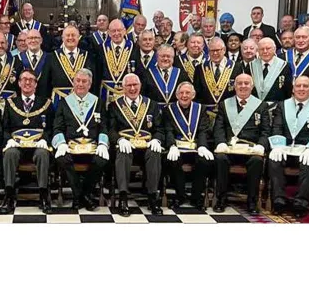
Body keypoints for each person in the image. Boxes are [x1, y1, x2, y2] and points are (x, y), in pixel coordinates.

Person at [267, 76, 309, 218]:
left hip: (306, 149)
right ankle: (279, 200)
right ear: (293, 89)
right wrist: (277, 146)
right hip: (285, 148)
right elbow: (277, 127)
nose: (301, 89)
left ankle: (301, 203)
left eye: (305, 86)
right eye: (298, 86)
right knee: (274, 160)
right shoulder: (282, 105)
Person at [211, 74, 270, 214]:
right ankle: (221, 199)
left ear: (252, 86)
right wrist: (220, 143)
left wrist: (261, 145)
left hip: (250, 150)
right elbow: (218, 127)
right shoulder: (225, 104)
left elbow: (266, 130)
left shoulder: (261, 106)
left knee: (257, 161)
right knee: (220, 158)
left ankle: (252, 201)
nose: (243, 86)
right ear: (234, 86)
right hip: (229, 149)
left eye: (246, 83)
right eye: (240, 83)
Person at [107, 73, 165, 216]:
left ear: (140, 86)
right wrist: (119, 140)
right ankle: (123, 197)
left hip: (146, 146)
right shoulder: (115, 105)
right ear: (123, 87)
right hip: (126, 146)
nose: (132, 88)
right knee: (123, 153)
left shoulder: (151, 104)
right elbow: (111, 129)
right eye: (129, 85)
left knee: (155, 153)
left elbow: (159, 128)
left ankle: (152, 197)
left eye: (135, 85)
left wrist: (156, 139)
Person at [52, 68, 109, 211]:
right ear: (73, 82)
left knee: (101, 160)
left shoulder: (98, 102)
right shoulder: (64, 103)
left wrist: (103, 143)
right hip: (70, 145)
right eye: (77, 81)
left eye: (84, 81)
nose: (80, 84)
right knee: (63, 159)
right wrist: (61, 144)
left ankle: (80, 196)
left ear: (90, 85)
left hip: (92, 145)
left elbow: (103, 127)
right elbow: (57, 128)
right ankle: (83, 196)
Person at [0, 69, 54, 214]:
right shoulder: (11, 103)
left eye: (31, 79)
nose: (27, 82)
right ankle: (9, 195)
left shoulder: (46, 103)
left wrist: (45, 139)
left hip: (37, 146)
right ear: (18, 83)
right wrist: (9, 140)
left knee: (43, 153)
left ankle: (43, 195)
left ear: (36, 84)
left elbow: (51, 128)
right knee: (9, 153)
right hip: (17, 146)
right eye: (24, 79)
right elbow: (4, 128)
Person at [162, 81, 213, 210]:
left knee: (204, 162)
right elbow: (168, 130)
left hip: (195, 148)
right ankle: (180, 196)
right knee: (173, 162)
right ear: (177, 95)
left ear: (193, 95)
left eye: (187, 93)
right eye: (181, 93)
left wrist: (202, 146)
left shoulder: (201, 109)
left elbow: (203, 130)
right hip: (178, 148)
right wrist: (171, 145)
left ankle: (196, 197)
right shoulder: (169, 110)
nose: (184, 95)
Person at [42, 25, 97, 109]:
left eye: (73, 35)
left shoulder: (88, 56)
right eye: (68, 35)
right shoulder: (52, 56)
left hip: (83, 101)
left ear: (79, 37)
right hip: (58, 101)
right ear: (62, 38)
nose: (70, 38)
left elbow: (93, 82)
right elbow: (45, 83)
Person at [193, 36, 236, 125]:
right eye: (212, 51)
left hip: (229, 113)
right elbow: (197, 94)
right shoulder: (200, 68)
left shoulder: (236, 67)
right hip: (206, 115)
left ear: (224, 50)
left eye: (218, 50)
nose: (215, 53)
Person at [98, 19, 136, 107]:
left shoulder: (134, 47)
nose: (116, 33)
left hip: (128, 91)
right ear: (108, 33)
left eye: (119, 30)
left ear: (125, 31)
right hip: (106, 92)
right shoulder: (100, 48)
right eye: (113, 31)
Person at [252, 38, 293, 115]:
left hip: (277, 109)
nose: (265, 51)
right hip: (255, 109)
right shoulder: (251, 66)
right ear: (257, 51)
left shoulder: (284, 66)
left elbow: (288, 90)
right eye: (262, 49)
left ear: (274, 49)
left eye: (268, 48)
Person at [142, 44, 190, 109]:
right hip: (154, 111)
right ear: (157, 57)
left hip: (176, 112)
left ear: (173, 58)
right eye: (162, 56)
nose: (165, 58)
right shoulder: (147, 74)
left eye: (168, 56)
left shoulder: (182, 74)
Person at [18, 29, 49, 97]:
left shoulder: (49, 58)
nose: (33, 40)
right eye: (30, 38)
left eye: (36, 38)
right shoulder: (18, 59)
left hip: (45, 99)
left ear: (41, 40)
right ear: (26, 41)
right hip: (23, 100)